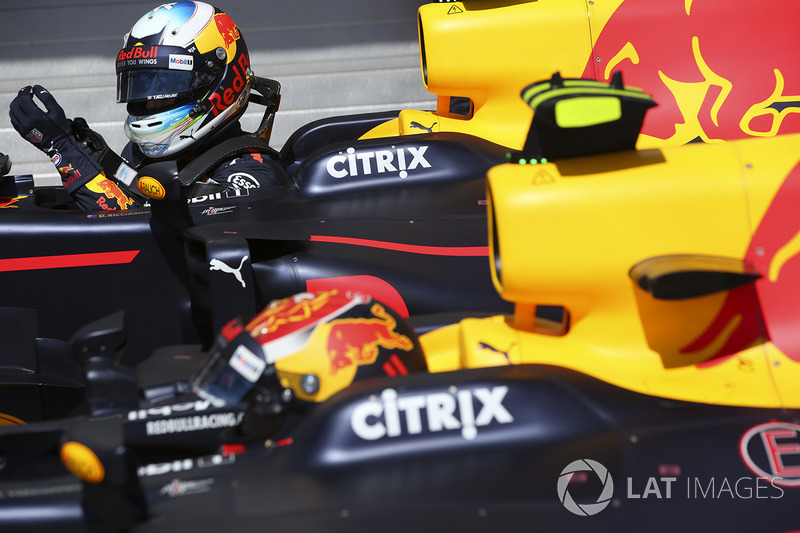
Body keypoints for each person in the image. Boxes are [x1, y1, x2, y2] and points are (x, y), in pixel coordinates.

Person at [8, 1, 287, 211]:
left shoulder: (253, 175)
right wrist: (92, 155)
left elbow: (142, 232)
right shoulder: (147, 155)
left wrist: (63, 152)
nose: (150, 102)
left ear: (219, 83)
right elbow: (137, 195)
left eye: (166, 85)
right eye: (142, 86)